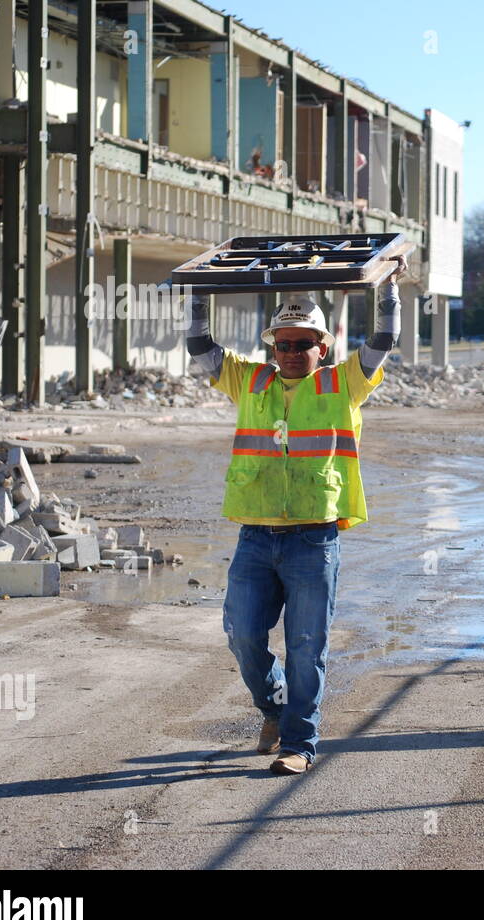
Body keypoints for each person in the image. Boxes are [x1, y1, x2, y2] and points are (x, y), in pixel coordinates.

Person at [184, 257, 405, 774]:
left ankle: (298, 745)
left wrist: (388, 290)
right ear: (271, 346)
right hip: (256, 536)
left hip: (312, 540)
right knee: (241, 635)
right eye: (281, 343)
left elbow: (383, 340)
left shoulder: (343, 384)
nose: (289, 352)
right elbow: (199, 348)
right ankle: (273, 708)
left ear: (321, 347)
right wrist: (196, 294)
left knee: (307, 648)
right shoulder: (250, 382)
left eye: (301, 342)